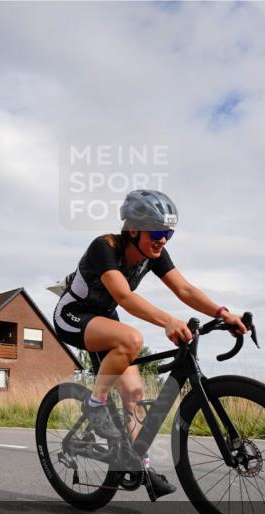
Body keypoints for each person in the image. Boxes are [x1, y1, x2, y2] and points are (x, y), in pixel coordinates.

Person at [52, 190, 247, 498]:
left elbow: (184, 288)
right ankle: (94, 405)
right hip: (73, 314)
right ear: (133, 229)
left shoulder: (152, 254)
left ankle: (137, 463)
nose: (164, 240)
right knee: (132, 338)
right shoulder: (105, 247)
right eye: (157, 232)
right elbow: (125, 297)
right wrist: (168, 321)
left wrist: (223, 313)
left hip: (104, 318)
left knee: (134, 392)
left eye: (168, 233)